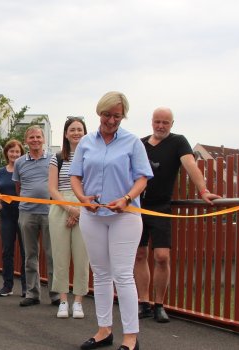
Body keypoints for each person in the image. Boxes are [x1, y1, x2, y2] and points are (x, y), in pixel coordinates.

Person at [70, 91, 152, 350]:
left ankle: (131, 337)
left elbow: (142, 178)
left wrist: (127, 198)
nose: (111, 120)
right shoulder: (85, 142)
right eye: (107, 115)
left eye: (117, 116)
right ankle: (104, 330)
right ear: (99, 113)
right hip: (92, 216)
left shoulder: (132, 143)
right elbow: (75, 176)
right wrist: (83, 198)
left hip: (124, 216)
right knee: (101, 274)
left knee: (123, 275)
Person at [134, 107, 221, 323]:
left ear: (172, 124)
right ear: (151, 122)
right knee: (139, 255)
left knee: (162, 257)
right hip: (137, 207)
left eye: (165, 122)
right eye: (157, 122)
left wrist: (203, 191)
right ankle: (143, 303)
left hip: (161, 208)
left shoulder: (178, 141)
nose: (161, 126)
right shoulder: (140, 144)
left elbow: (190, 166)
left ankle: (159, 305)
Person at [48, 117, 89, 319]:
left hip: (84, 207)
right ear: (65, 134)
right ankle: (63, 300)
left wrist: (78, 210)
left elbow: (91, 185)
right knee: (60, 255)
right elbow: (52, 188)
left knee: (82, 257)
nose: (76, 133)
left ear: (85, 132)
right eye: (72, 129)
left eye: (79, 129)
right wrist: (69, 209)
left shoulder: (91, 156)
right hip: (60, 206)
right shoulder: (57, 157)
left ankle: (79, 301)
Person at [15, 125, 59, 307]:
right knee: (30, 254)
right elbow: (18, 188)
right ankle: (32, 293)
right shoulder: (19, 162)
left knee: (52, 254)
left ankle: (55, 294)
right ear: (26, 141)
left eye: (38, 137)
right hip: (27, 212)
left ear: (44, 139)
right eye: (31, 137)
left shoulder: (53, 159)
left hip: (49, 212)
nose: (35, 140)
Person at [0, 140, 27, 298]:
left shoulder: (25, 169)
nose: (14, 154)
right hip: (6, 216)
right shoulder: (0, 172)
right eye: (11, 151)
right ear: (6, 153)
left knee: (26, 251)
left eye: (17, 152)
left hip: (24, 214)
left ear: (22, 153)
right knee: (7, 251)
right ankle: (7, 286)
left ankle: (28, 287)